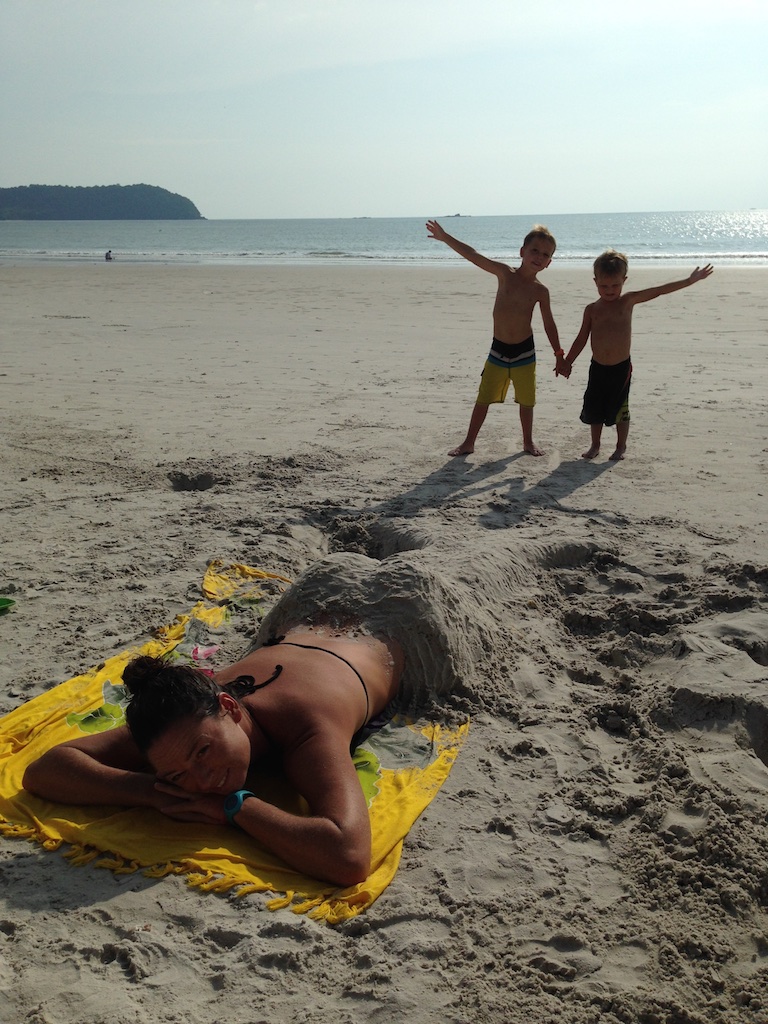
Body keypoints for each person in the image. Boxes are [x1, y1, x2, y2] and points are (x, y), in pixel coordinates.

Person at [23, 610, 404, 887]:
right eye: (177, 775)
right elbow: (44, 770)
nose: (202, 781)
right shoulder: (178, 729)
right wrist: (155, 793)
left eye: (203, 752)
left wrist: (237, 807)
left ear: (230, 707)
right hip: (301, 631)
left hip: (385, 629)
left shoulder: (306, 727)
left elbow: (349, 857)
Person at [426, 219, 564, 457]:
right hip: (498, 350)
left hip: (525, 353)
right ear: (522, 252)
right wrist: (445, 237)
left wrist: (559, 354)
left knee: (527, 401)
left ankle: (528, 442)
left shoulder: (541, 291)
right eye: (534, 251)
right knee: (483, 398)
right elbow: (473, 255)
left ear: (549, 262)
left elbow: (549, 323)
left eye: (545, 254)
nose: (539, 257)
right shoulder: (504, 274)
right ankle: (468, 442)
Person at [559, 250, 713, 461]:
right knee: (595, 407)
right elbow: (581, 339)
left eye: (615, 285)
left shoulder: (628, 301)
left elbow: (658, 291)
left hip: (621, 368)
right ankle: (595, 445)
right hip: (598, 367)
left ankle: (621, 446)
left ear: (624, 280)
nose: (610, 290)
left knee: (621, 408)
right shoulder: (592, 309)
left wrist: (689, 280)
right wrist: (567, 361)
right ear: (595, 282)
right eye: (604, 286)